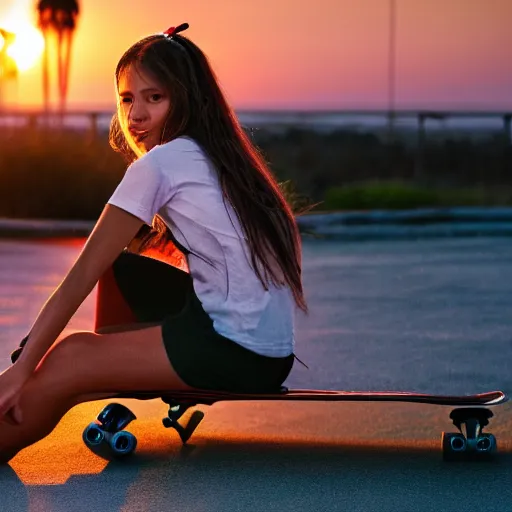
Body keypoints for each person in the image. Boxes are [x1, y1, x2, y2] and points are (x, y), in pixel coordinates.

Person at [0, 23, 307, 463]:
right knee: (122, 270)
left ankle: (67, 381)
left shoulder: (162, 163)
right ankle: (104, 375)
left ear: (185, 100)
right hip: (271, 353)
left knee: (70, 356)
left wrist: (21, 369)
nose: (136, 115)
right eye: (127, 99)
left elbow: (81, 272)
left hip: (234, 351)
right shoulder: (217, 154)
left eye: (154, 98)